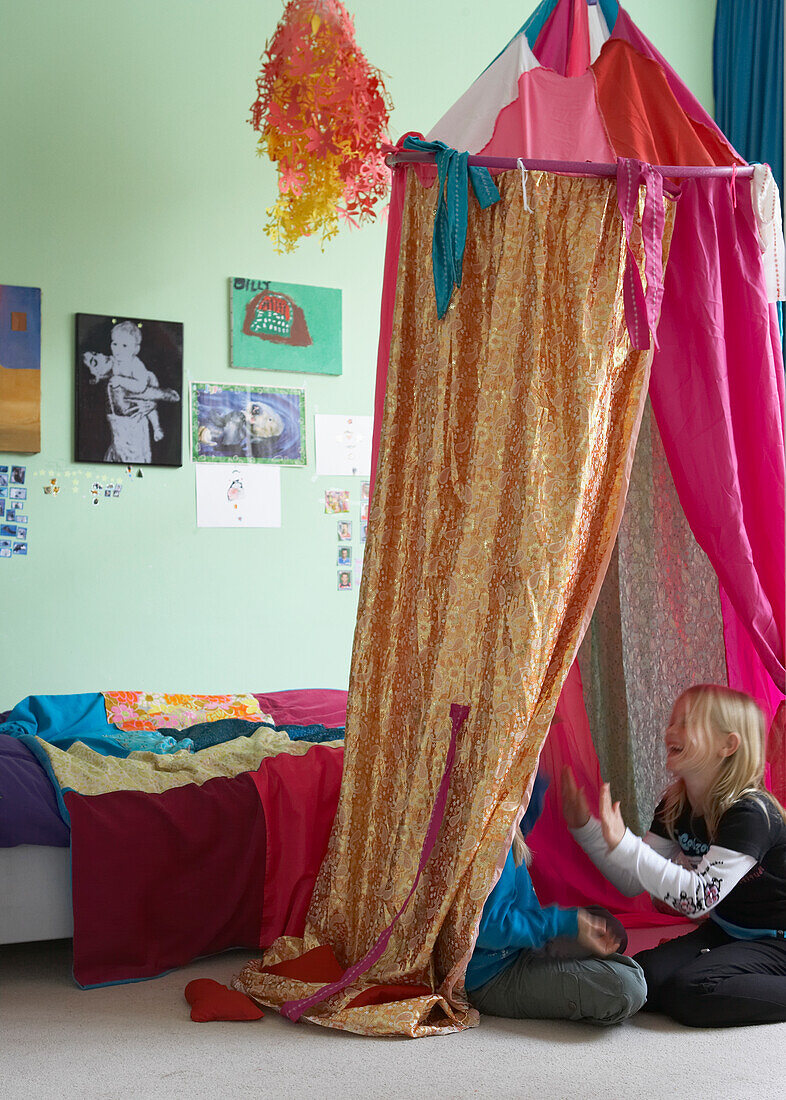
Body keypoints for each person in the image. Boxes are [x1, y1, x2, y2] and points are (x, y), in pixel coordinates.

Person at [562, 684, 786, 1028]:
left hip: (776, 942)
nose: (670, 730)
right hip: (726, 931)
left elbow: (700, 898)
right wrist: (587, 830)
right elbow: (631, 881)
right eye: (672, 721)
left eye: (686, 723)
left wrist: (625, 843)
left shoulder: (751, 812)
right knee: (644, 979)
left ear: (728, 745)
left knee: (692, 991)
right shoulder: (676, 804)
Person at [466, 777, 647, 1025]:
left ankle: (575, 966)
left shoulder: (509, 820)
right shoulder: (490, 836)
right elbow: (488, 928)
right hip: (495, 974)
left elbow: (535, 794)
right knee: (627, 987)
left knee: (609, 928)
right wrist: (566, 924)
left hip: (524, 946)